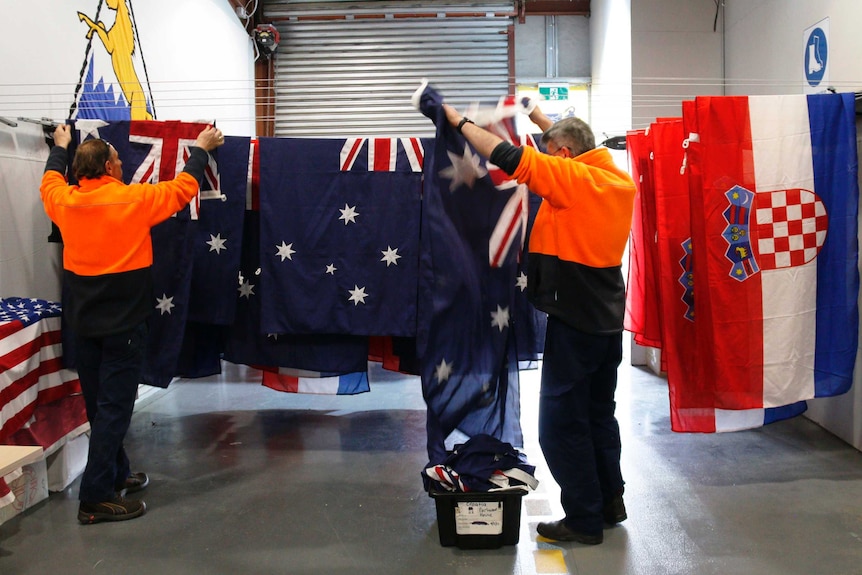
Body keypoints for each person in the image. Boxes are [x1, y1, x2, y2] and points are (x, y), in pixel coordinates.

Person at [441, 101, 636, 544]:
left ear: (563, 157)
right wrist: (541, 119)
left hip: (575, 323)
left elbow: (510, 158)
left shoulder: (573, 181)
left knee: (559, 426)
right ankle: (609, 502)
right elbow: (573, 144)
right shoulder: (612, 176)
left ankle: (584, 519)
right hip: (606, 322)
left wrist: (461, 123)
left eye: (551, 155)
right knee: (598, 417)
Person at [41, 123, 225, 524]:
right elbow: (183, 188)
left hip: (84, 325)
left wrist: (59, 146)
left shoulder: (65, 202)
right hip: (124, 329)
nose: (124, 164)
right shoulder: (134, 200)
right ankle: (95, 498)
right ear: (108, 167)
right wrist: (201, 149)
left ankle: (116, 473)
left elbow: (50, 179)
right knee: (114, 409)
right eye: (120, 160)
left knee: (100, 407)